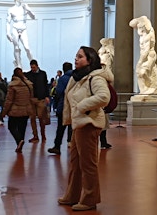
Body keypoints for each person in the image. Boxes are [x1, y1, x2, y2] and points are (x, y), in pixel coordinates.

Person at [57, 46, 113, 211]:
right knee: (75, 163)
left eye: (80, 56)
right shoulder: (77, 77)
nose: (76, 59)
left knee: (88, 164)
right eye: (76, 56)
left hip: (89, 123)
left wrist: (82, 106)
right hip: (79, 123)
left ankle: (89, 199)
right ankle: (72, 195)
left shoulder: (95, 78)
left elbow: (104, 97)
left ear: (90, 60)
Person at [2, 68, 33, 153]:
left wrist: (4, 112)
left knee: (11, 126)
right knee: (22, 128)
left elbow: (9, 100)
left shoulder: (13, 85)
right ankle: (20, 145)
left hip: (15, 110)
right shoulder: (28, 84)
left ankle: (19, 140)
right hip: (26, 109)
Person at [48, 62, 74, 155]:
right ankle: (71, 142)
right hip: (74, 105)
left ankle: (57, 146)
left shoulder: (63, 79)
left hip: (63, 105)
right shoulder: (76, 77)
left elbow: (59, 92)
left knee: (60, 127)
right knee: (72, 126)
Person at [6, 0, 36, 68]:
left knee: (27, 48)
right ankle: (19, 65)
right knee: (16, 47)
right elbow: (8, 22)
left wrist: (28, 10)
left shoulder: (25, 7)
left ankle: (33, 64)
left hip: (23, 29)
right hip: (15, 29)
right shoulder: (11, 9)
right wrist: (8, 33)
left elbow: (33, 17)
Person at [24, 59, 50, 142]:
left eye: (34, 67)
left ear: (37, 66)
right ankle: (35, 136)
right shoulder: (28, 75)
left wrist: (47, 96)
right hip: (31, 99)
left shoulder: (43, 74)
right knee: (32, 118)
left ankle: (43, 135)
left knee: (41, 117)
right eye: (31, 67)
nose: (33, 69)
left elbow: (46, 85)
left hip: (41, 99)